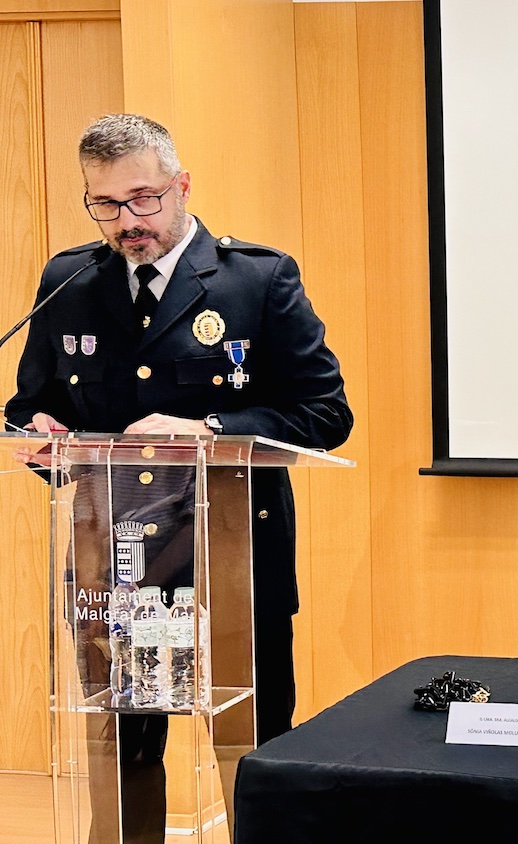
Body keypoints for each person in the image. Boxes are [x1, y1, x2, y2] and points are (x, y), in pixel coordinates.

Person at [5, 114, 352, 841]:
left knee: (247, 741)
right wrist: (36, 440)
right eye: (104, 205)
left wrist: (211, 430)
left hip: (231, 555)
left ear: (180, 185)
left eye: (142, 200)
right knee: (123, 743)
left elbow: (325, 412)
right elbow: (31, 407)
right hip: (119, 558)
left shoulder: (257, 278)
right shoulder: (68, 280)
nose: (126, 222)